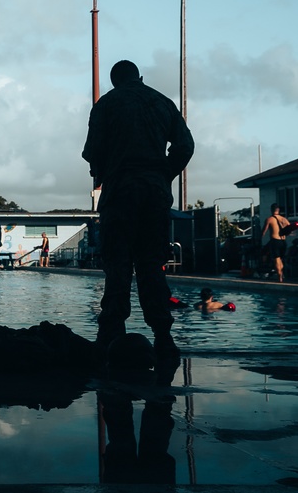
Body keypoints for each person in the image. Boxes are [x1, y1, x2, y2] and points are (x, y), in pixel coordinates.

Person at [81, 60, 194, 365]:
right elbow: (185, 146)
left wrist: (108, 168)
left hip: (120, 191)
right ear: (139, 77)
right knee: (151, 264)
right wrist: (162, 175)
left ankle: (111, 333)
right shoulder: (161, 102)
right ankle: (163, 337)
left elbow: (92, 152)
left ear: (115, 81)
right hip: (155, 195)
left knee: (117, 264)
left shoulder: (107, 104)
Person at [261, 203, 291, 283]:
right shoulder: (284, 219)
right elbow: (289, 231)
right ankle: (282, 274)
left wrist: (260, 239)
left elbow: (263, 231)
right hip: (284, 242)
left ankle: (280, 278)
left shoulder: (269, 219)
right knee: (281, 259)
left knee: (277, 259)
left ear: (271, 210)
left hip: (275, 241)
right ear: (279, 210)